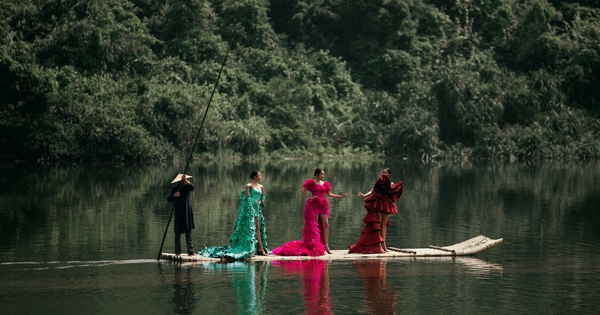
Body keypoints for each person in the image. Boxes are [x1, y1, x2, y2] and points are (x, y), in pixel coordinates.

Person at [272, 168, 348, 256]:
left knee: (325, 225)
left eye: (323, 174)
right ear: (317, 175)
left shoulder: (325, 183)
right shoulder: (311, 183)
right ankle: (314, 246)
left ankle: (326, 246)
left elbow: (329, 194)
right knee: (313, 226)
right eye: (322, 174)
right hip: (314, 205)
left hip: (323, 205)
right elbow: (302, 190)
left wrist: (340, 196)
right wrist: (310, 197)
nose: (323, 176)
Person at [199, 170, 269, 259]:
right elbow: (246, 197)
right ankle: (251, 249)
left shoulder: (261, 187)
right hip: (250, 208)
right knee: (250, 228)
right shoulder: (249, 186)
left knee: (258, 227)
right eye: (259, 175)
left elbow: (262, 197)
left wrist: (260, 201)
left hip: (257, 208)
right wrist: (247, 189)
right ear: (255, 177)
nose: (260, 176)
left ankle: (261, 248)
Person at [348, 168, 403, 253]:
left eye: (385, 173)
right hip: (379, 203)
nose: (384, 174)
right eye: (383, 172)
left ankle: (384, 245)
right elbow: (372, 190)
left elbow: (393, 192)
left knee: (384, 224)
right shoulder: (380, 182)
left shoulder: (391, 183)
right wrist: (364, 195)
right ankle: (379, 244)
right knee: (379, 224)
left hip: (386, 203)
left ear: (389, 175)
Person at [167, 173, 196, 256]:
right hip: (179, 212)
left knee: (188, 231)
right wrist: (174, 195)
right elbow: (169, 199)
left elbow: (192, 187)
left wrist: (186, 181)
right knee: (177, 232)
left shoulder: (187, 188)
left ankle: (191, 251)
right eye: (183, 180)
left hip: (187, 212)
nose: (184, 182)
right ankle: (178, 252)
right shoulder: (175, 189)